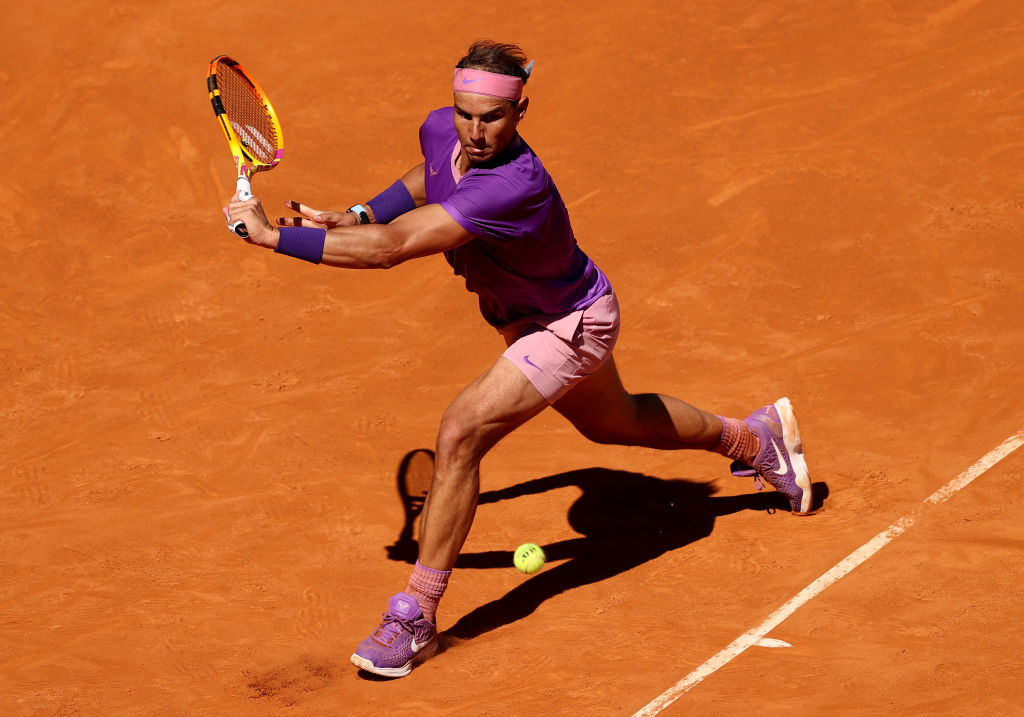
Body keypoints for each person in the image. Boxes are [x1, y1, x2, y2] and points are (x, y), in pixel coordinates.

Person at [225, 40, 813, 679]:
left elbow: (391, 248)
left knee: (461, 432)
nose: (475, 133)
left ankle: (415, 617)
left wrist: (273, 236)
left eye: (493, 118)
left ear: (520, 112)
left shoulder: (513, 184)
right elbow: (430, 172)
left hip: (570, 323)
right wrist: (360, 212)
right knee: (614, 423)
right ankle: (754, 440)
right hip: (529, 317)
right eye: (465, 115)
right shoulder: (443, 129)